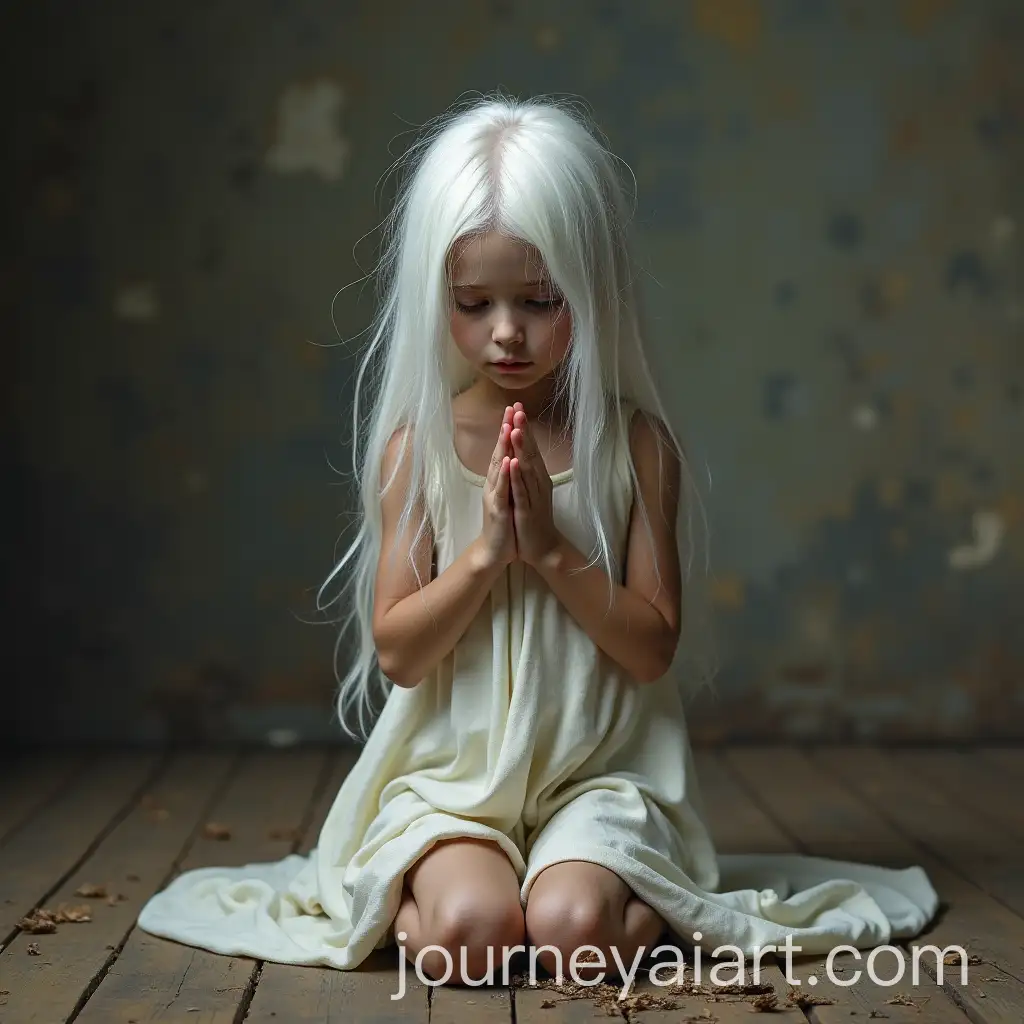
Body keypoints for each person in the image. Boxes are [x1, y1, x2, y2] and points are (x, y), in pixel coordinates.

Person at [137, 92, 937, 986]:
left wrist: (552, 550)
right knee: (471, 935)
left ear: (593, 291)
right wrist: (485, 553)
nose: (506, 331)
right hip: (450, 780)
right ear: (435, 298)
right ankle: (395, 901)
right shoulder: (421, 445)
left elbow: (651, 648)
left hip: (599, 777)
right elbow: (398, 652)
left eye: (540, 300)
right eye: (473, 302)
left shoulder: (636, 447)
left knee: (574, 932)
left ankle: (619, 897)